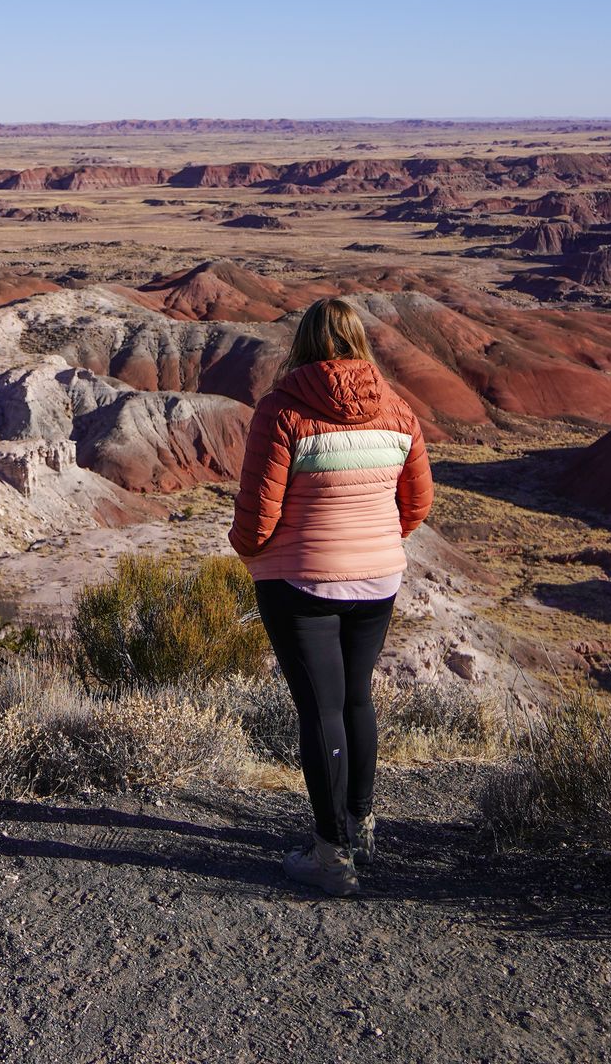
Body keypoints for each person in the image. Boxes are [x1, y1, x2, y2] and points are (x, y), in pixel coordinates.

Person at [228, 295, 433, 897]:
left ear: (305, 342)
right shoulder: (399, 412)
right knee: (356, 699)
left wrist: (251, 552)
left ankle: (330, 856)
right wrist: (373, 542)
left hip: (300, 582)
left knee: (320, 708)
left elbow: (257, 516)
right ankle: (362, 826)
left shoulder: (282, 411)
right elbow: (417, 503)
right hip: (378, 581)